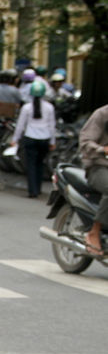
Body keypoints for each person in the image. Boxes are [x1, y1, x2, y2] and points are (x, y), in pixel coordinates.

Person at [11, 80, 55, 198]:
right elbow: (52, 125)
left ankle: (32, 190)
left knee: (30, 164)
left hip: (30, 138)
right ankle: (38, 188)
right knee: (40, 164)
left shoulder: (26, 107)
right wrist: (52, 141)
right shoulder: (49, 107)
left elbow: (20, 125)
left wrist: (15, 139)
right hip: (44, 139)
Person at [78, 103, 108, 256]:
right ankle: (94, 232)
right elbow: (85, 142)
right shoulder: (102, 114)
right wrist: (102, 149)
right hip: (99, 167)